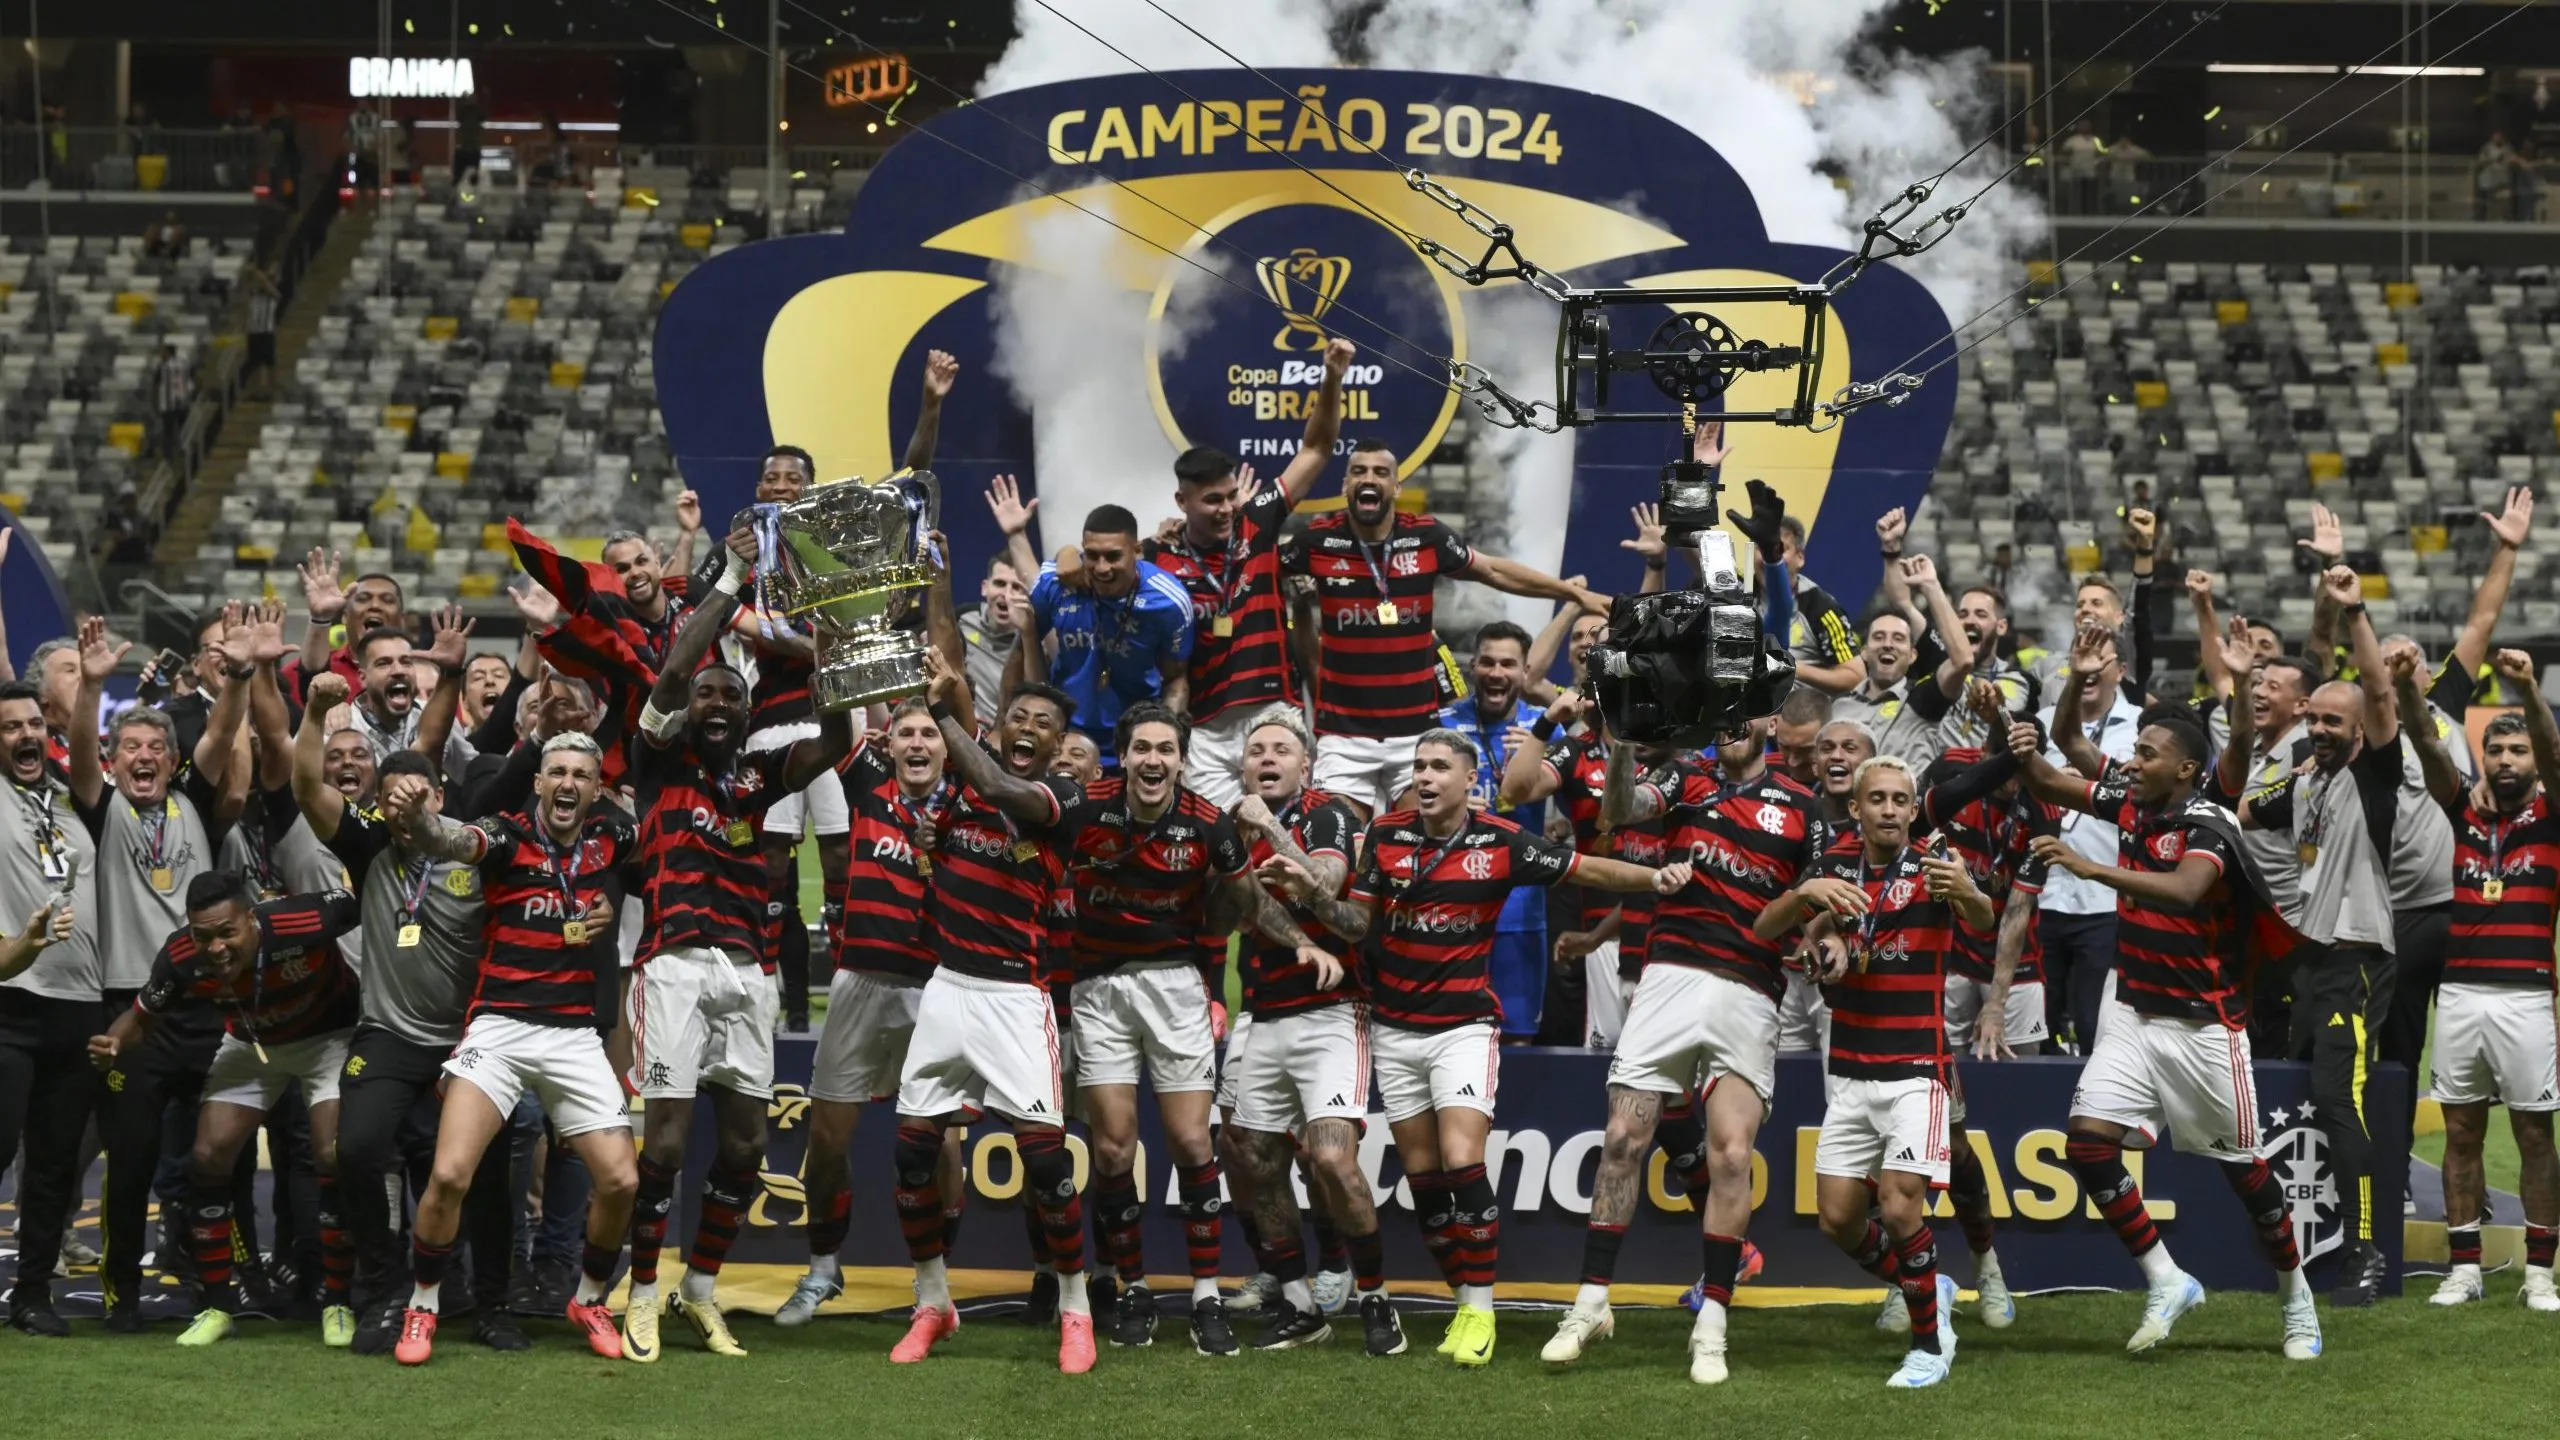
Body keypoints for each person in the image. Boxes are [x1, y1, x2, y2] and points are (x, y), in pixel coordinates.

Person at [1266, 729, 1685, 1367]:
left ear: (1469, 782)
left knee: (1464, 1162)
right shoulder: (1384, 836)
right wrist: (1312, 892)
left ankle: (1481, 1310)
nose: (1426, 777)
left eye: (1440, 767)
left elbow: (1583, 867)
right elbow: (1357, 924)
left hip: (1464, 1027)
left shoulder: (1500, 839)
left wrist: (1656, 877)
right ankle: (1463, 1298)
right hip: (1394, 1027)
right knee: (1427, 1184)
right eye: (1419, 766)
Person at [2012, 712, 2320, 1361]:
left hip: (2202, 1023)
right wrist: (2014, 728)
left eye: (2146, 754)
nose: (2131, 763)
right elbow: (2045, 773)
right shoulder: (2129, 802)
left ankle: (2296, 1298)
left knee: (2245, 1172)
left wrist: (2091, 871)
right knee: (2088, 1146)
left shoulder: (2210, 824)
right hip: (2131, 1005)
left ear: (2184, 770)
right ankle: (2167, 1277)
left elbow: (2184, 892)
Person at [620, 525, 853, 1361]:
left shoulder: (753, 780)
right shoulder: (659, 760)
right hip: (676, 964)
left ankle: (701, 1290)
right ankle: (642, 1292)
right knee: (671, 1144)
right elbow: (677, 667)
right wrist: (732, 579)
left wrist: (834, 657)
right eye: (707, 696)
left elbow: (833, 744)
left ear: (748, 713)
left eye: (731, 698)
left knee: (749, 1146)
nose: (715, 704)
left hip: (747, 969)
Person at [370, 733, 644, 1366]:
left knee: (622, 1180)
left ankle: (590, 1296)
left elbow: (653, 857)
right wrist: (417, 818)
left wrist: (613, 900)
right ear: (540, 783)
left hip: (574, 1034)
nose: (567, 782)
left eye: (580, 773)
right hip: (499, 1027)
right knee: (447, 1174)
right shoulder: (505, 834)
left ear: (595, 789)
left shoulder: (611, 837)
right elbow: (451, 842)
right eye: (556, 772)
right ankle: (424, 1303)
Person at [1062, 700, 1306, 1355]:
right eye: (1142, 748)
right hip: (1098, 990)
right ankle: (1134, 1287)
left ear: (1182, 758)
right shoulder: (1084, 811)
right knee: (1112, 1152)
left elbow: (1247, 901)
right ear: (1124, 754)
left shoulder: (1208, 824)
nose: (1153, 760)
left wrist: (1303, 942)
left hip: (1176, 989)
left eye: (1165, 749)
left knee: (1194, 1146)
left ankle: (1203, 1295)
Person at [289, 671, 522, 1355]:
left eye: (413, 794)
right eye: (389, 796)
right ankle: (388, 1286)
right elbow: (307, 786)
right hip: (389, 1033)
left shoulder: (474, 848)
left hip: (472, 1040)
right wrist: (312, 712)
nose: (400, 806)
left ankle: (492, 1304)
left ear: (441, 796)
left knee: (486, 1173)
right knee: (354, 1149)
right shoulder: (369, 845)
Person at [889, 650, 1096, 1374]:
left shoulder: (1065, 799)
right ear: (1001, 726)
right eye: (1018, 717)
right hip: (949, 987)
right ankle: (933, 1302)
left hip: (1015, 996)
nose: (1028, 727)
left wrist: (946, 708)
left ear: (1061, 745)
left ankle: (1076, 1309)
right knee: (913, 1148)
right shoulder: (959, 795)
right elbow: (945, 830)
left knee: (1045, 1162)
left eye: (1045, 722)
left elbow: (995, 780)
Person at [1762, 755, 1993, 1388]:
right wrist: (1807, 906)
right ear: (1856, 808)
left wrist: (1968, 890)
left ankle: (1928, 1347)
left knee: (1898, 1207)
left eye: (1900, 800)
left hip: (1920, 1065)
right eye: (1878, 800)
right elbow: (1770, 928)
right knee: (1836, 1219)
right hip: (1851, 1068)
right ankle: (1928, 1284)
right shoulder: (1832, 867)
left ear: (1913, 809)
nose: (1889, 810)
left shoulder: (1935, 868)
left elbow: (1983, 921)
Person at [88, 871, 365, 1348]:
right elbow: (141, 1018)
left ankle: (337, 1301)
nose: (215, 948)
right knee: (208, 1155)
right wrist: (115, 1041)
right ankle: (218, 1306)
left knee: (329, 1153)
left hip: (327, 1038)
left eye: (227, 933)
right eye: (203, 936)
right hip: (250, 1042)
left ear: (252, 920)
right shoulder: (180, 957)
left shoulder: (306, 919)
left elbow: (371, 896)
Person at [2233, 566, 2405, 1307]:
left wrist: (2353, 609)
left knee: (2342, 1100)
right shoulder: (2304, 779)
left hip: (2357, 958)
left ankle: (2367, 1253)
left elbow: (2380, 692)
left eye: (2338, 723)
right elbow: (2243, 807)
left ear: (2362, 731)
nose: (2326, 731)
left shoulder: (2375, 776)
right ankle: (2289, 1245)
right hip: (2307, 958)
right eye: (2318, 721)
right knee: (2301, 1094)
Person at [1281, 439, 1608, 818]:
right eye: (1359, 471)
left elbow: (1493, 570)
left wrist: (1572, 594)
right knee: (1339, 845)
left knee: (1415, 845)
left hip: (1415, 736)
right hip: (1343, 737)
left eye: (1381, 472)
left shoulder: (1427, 537)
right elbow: (1257, 576)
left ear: (1396, 487)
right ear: (1344, 485)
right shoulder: (1317, 542)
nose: (1369, 478)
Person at [774, 696, 967, 1327]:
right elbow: (839, 733)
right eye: (906, 733)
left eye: (929, 735)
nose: (917, 743)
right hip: (858, 982)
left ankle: (933, 1284)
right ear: (890, 745)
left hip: (936, 987)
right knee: (826, 1140)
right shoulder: (865, 793)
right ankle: (824, 1269)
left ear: (947, 748)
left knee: (937, 1144)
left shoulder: (968, 802)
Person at [1224, 707, 1394, 1353]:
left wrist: (1273, 832)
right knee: (1255, 1158)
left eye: (1280, 750)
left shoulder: (1327, 813)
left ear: (1306, 765)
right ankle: (1297, 1301)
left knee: (1329, 1156)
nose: (1267, 759)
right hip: (1264, 1012)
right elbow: (1242, 908)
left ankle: (1374, 1296)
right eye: (1256, 750)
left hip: (1332, 1011)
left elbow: (1328, 883)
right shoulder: (1230, 829)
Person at [2403, 651, 2560, 1310]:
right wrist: (2409, 692)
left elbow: (2555, 756)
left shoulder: (2553, 814)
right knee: (2463, 1133)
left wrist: (2525, 686)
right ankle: (2464, 1267)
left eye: (2517, 749)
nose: (2505, 760)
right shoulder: (2462, 811)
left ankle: (2540, 1272)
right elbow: (2423, 742)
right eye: (2495, 749)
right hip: (2463, 994)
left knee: (2533, 1136)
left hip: (2527, 996)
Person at [1146, 339, 1353, 808]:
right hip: (1205, 723)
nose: (1225, 509)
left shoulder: (1257, 522)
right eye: (1211, 501)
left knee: (1286, 831)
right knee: (1220, 844)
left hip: (1271, 710)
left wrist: (1333, 378)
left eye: (1229, 495)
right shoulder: (1158, 556)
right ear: (1182, 502)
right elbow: (1099, 561)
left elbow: (1317, 449)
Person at [0, 678, 102, 1336]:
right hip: (10, 1005)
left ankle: (32, 1293)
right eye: (9, 727)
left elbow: (89, 752)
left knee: (55, 1164)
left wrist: (89, 684)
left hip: (78, 1007)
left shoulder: (71, 798)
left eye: (34, 723)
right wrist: (27, 946)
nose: (26, 735)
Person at [1435, 620, 1552, 1043]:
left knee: (1517, 1038)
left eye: (1508, 663)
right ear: (1472, 667)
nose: (1496, 673)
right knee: (1451, 1036)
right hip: (1453, 909)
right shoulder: (1441, 727)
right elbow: (1405, 802)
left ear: (1524, 672)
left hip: (1521, 912)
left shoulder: (1544, 727)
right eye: (1487, 662)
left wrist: (1536, 753)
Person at [1011, 503, 1195, 769]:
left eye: (1113, 556)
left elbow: (1176, 678)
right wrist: (998, 725)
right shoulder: (1055, 582)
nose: (1101, 568)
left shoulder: (1168, 601)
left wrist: (1164, 741)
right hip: (1063, 739)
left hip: (1132, 742)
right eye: (1092, 555)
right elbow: (1022, 649)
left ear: (1137, 552)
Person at [2037, 625, 2143, 1050]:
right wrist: (2047, 782)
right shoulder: (2045, 723)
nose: (2093, 667)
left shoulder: (2142, 729)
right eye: (2084, 658)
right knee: (2040, 1025)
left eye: (2103, 660)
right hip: (2042, 894)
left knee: (2092, 1023)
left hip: (2103, 900)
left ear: (2120, 670)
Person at [287, 550, 407, 704]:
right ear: (344, 617)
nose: (375, 605)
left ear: (402, 620)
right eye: (363, 599)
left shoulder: (425, 675)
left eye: (387, 600)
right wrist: (320, 619)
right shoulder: (294, 674)